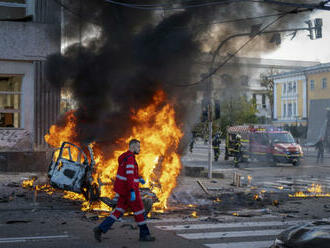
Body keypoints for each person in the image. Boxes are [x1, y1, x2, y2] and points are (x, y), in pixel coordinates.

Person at [93, 139, 155, 242]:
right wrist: (132, 191)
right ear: (133, 146)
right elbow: (129, 176)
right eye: (138, 147)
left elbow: (128, 174)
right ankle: (144, 235)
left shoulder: (125, 157)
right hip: (130, 191)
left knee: (118, 212)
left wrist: (138, 179)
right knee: (140, 211)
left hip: (123, 191)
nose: (139, 149)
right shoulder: (130, 158)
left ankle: (100, 229)